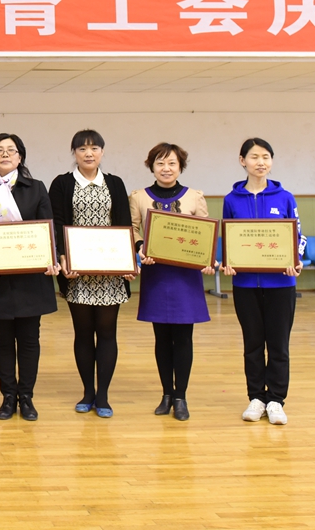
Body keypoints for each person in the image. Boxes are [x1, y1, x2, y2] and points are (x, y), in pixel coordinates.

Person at [0, 133, 60, 422]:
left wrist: (51, 258)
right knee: (1, 339)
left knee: (29, 339)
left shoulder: (36, 188)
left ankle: (27, 397)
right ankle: (8, 396)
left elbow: (49, 229)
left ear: (20, 157)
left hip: (31, 278)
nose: (5, 155)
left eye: (11, 150)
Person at [49, 129, 134, 419]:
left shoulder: (115, 183)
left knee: (107, 333)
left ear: (102, 152)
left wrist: (128, 263)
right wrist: (63, 257)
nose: (89, 153)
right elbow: (57, 223)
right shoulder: (62, 183)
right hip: (78, 273)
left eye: (94, 148)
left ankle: (103, 395)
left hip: (109, 272)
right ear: (74, 153)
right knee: (83, 334)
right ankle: (87, 392)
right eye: (82, 148)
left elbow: (123, 224)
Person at [222, 138, 305, 426]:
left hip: (281, 285)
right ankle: (256, 397)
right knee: (253, 344)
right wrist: (228, 261)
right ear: (242, 160)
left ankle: (276, 400)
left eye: (266, 157)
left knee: (279, 345)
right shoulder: (231, 200)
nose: (261, 162)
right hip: (245, 285)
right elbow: (228, 239)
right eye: (254, 157)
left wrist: (296, 259)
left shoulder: (285, 197)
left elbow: (298, 236)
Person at [129, 143, 213, 422]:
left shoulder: (195, 197)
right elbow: (133, 228)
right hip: (156, 274)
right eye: (160, 163)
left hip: (185, 277)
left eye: (172, 163)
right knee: (161, 338)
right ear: (151, 166)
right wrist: (140, 246)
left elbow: (205, 232)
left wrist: (206, 258)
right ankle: (166, 393)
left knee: (184, 337)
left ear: (180, 167)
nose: (166, 168)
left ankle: (181, 396)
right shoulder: (139, 196)